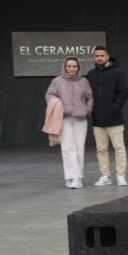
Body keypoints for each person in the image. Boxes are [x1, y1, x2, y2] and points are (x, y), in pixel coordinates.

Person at [45, 56, 93, 188]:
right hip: (64, 118)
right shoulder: (57, 81)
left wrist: (87, 110)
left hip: (80, 119)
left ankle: (77, 178)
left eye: (74, 66)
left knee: (79, 149)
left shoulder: (84, 81)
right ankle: (71, 177)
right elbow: (49, 95)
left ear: (79, 67)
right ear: (65, 67)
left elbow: (90, 98)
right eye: (69, 66)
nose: (72, 68)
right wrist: (58, 104)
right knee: (67, 149)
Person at [89, 45, 128, 187]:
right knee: (101, 149)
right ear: (94, 58)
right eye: (97, 56)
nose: (99, 58)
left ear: (107, 56)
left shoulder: (118, 72)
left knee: (119, 148)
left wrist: (115, 108)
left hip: (114, 119)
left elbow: (124, 93)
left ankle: (121, 176)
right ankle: (105, 176)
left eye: (102, 55)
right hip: (97, 120)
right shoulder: (91, 74)